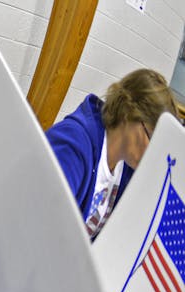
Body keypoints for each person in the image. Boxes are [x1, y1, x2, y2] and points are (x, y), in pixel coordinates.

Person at [46, 68, 179, 238]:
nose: (152, 154)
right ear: (129, 113)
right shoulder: (73, 144)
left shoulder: (124, 169)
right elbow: (42, 223)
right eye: (151, 139)